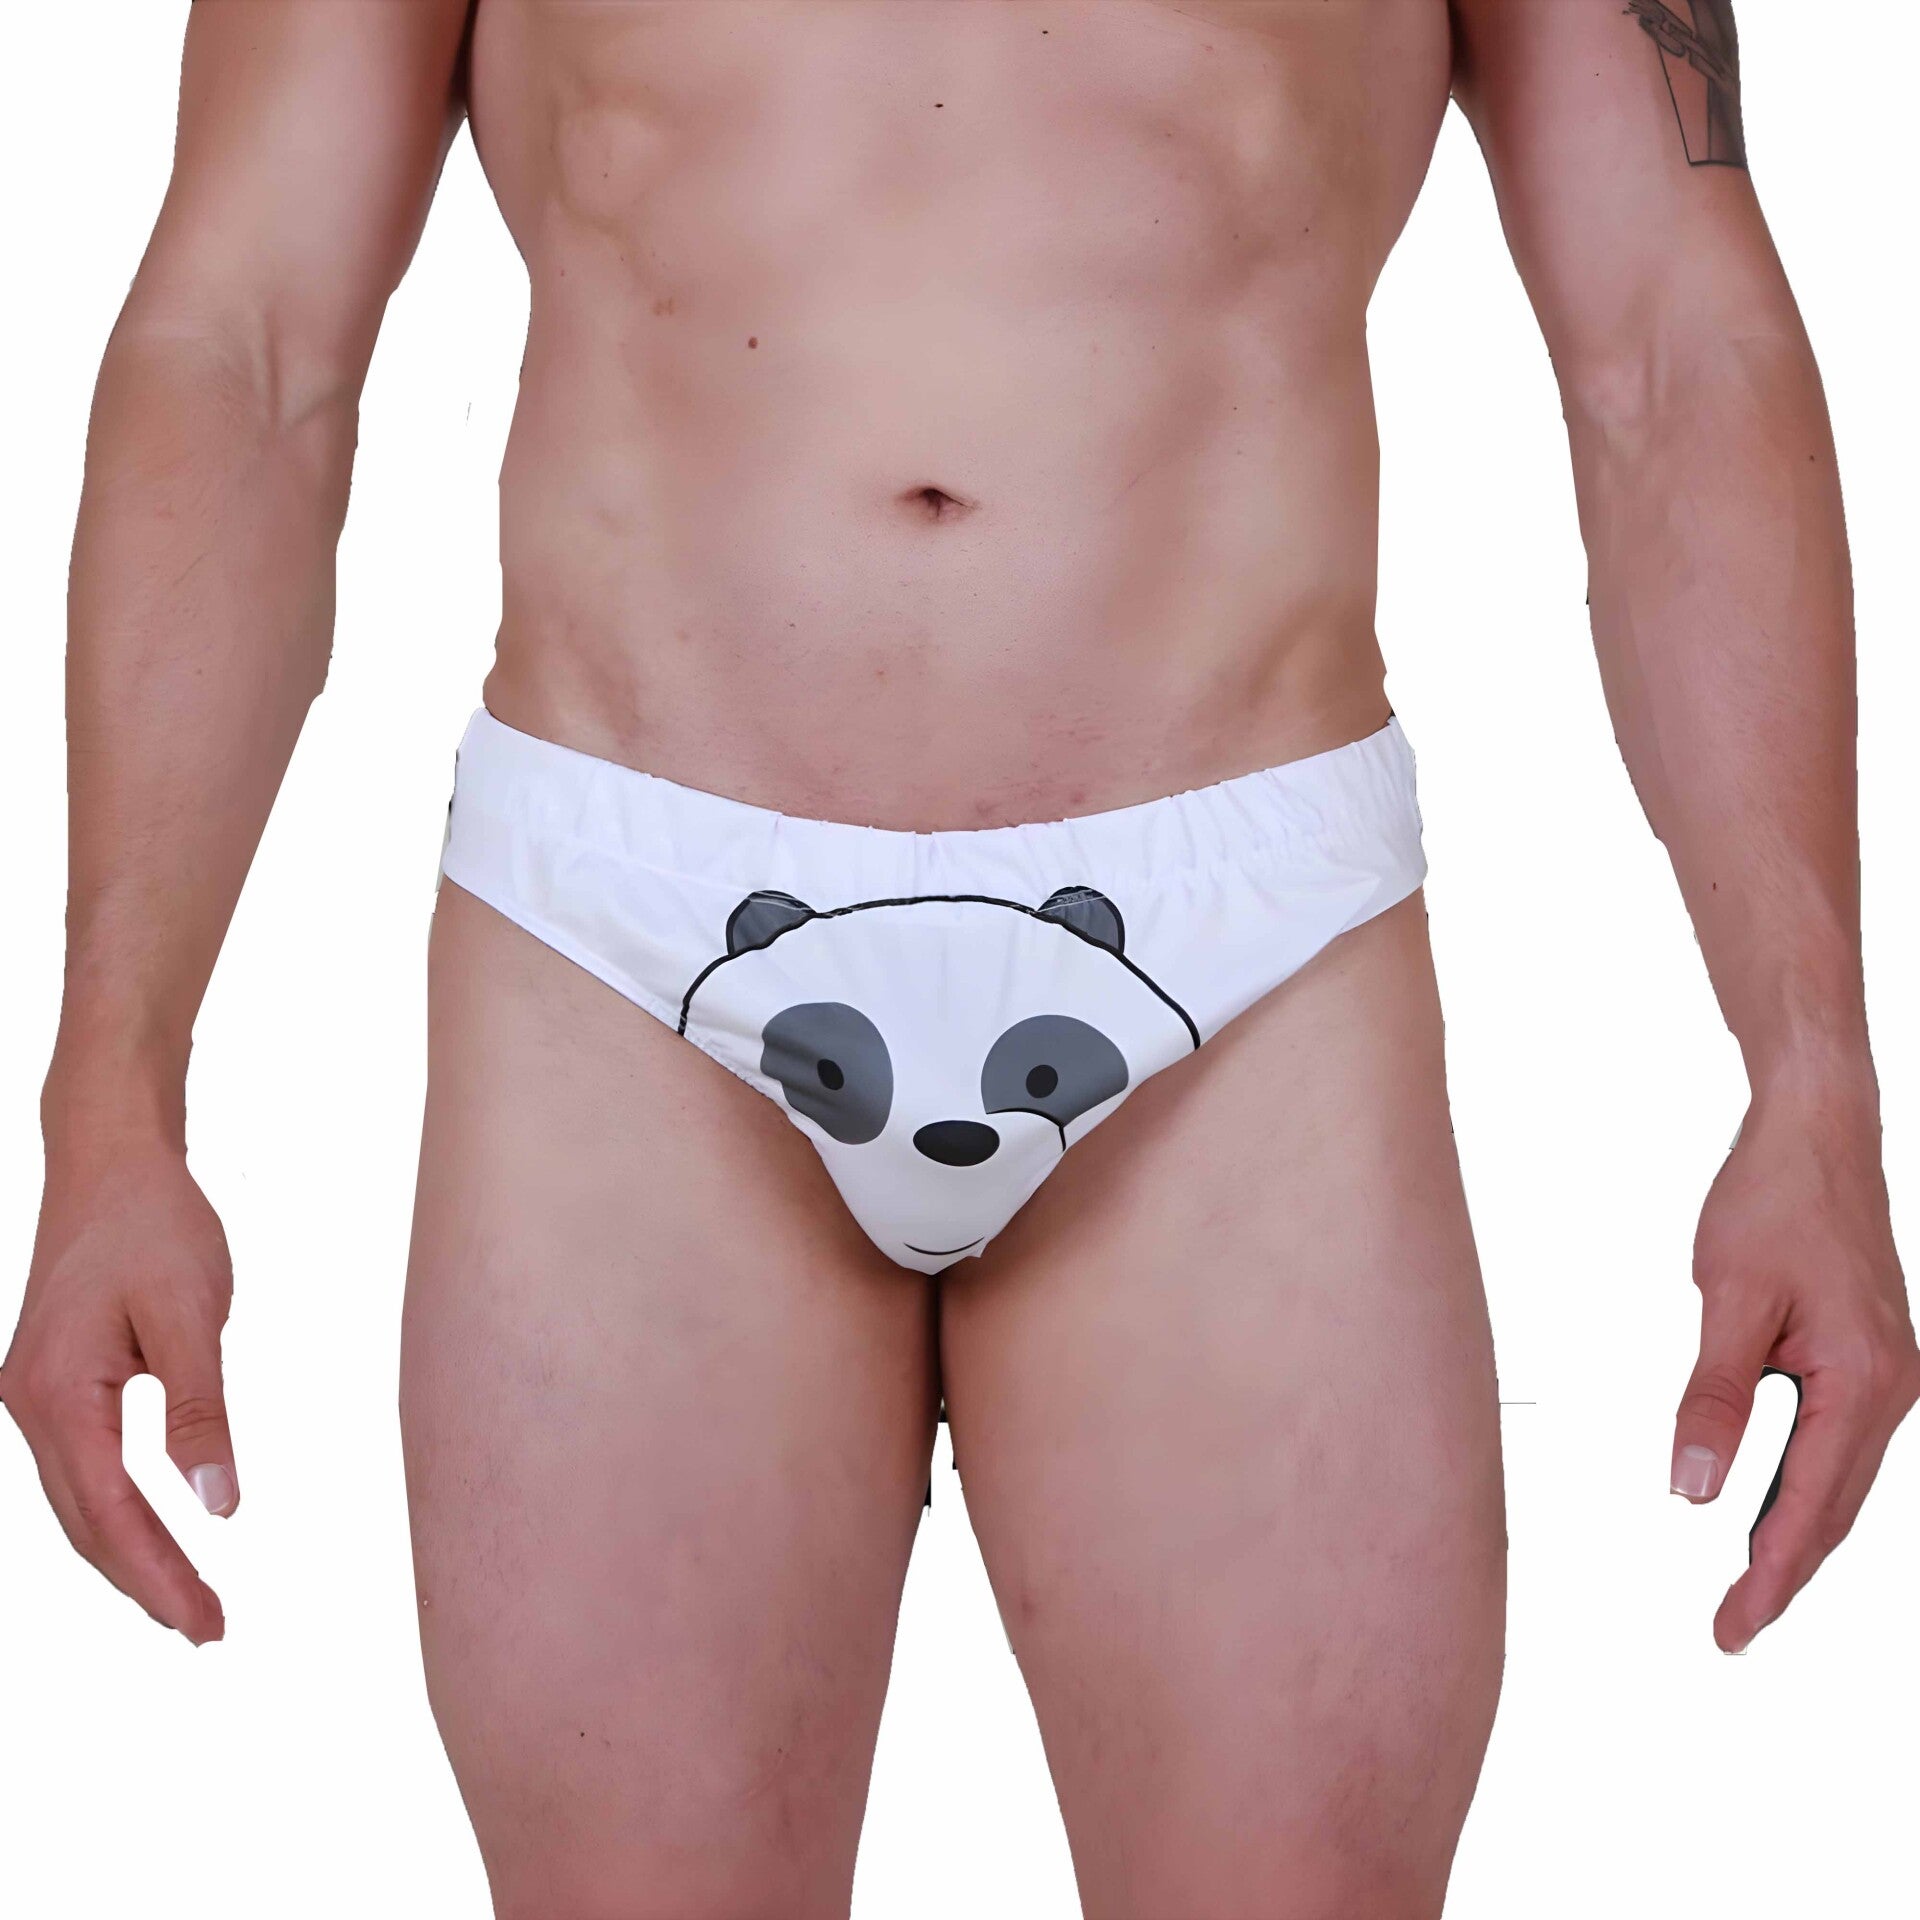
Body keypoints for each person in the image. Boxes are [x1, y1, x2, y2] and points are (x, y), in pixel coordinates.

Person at [4, 3, 1913, 1914]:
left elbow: (1678, 350)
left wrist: (1813, 1079)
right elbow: (244, 347)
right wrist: (110, 1097)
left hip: (1238, 959)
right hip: (632, 946)